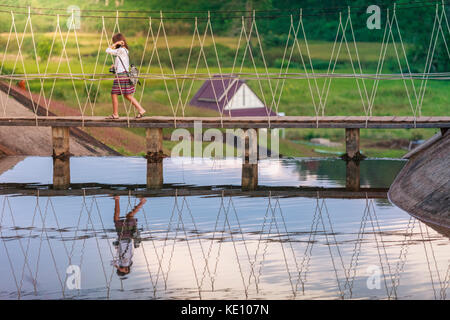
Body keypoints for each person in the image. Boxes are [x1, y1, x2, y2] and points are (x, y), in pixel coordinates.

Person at [105, 33, 146, 119]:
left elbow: (107, 50)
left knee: (114, 93)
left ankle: (115, 114)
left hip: (121, 75)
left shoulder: (121, 50)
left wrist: (115, 44)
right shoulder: (124, 50)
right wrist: (114, 66)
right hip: (124, 74)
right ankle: (141, 109)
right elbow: (122, 62)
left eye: (114, 41)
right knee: (127, 95)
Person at [112, 196, 146, 278]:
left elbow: (113, 262)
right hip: (124, 237)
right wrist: (119, 267)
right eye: (121, 271)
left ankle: (142, 202)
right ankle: (117, 199)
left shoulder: (128, 263)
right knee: (117, 218)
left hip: (128, 237)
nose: (120, 269)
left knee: (129, 216)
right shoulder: (125, 263)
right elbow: (113, 263)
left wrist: (118, 267)